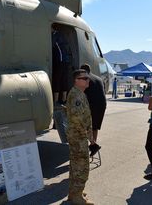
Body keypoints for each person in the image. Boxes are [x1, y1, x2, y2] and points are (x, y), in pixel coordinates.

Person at [66, 69, 97, 204]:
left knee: (75, 165)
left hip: (78, 135)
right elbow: (77, 119)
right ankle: (77, 196)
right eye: (84, 78)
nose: (87, 80)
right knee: (81, 166)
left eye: (87, 78)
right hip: (78, 137)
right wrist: (87, 136)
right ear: (76, 81)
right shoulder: (77, 96)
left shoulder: (79, 94)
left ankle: (74, 193)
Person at [80, 64, 107, 144]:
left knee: (83, 125)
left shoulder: (85, 79)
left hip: (92, 105)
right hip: (102, 105)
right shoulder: (99, 78)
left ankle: (85, 145)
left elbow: (80, 93)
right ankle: (93, 145)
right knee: (95, 127)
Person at [52, 26, 71, 105]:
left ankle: (56, 101)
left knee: (57, 79)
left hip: (60, 60)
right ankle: (64, 99)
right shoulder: (61, 35)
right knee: (64, 79)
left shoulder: (55, 35)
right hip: (65, 60)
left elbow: (52, 45)